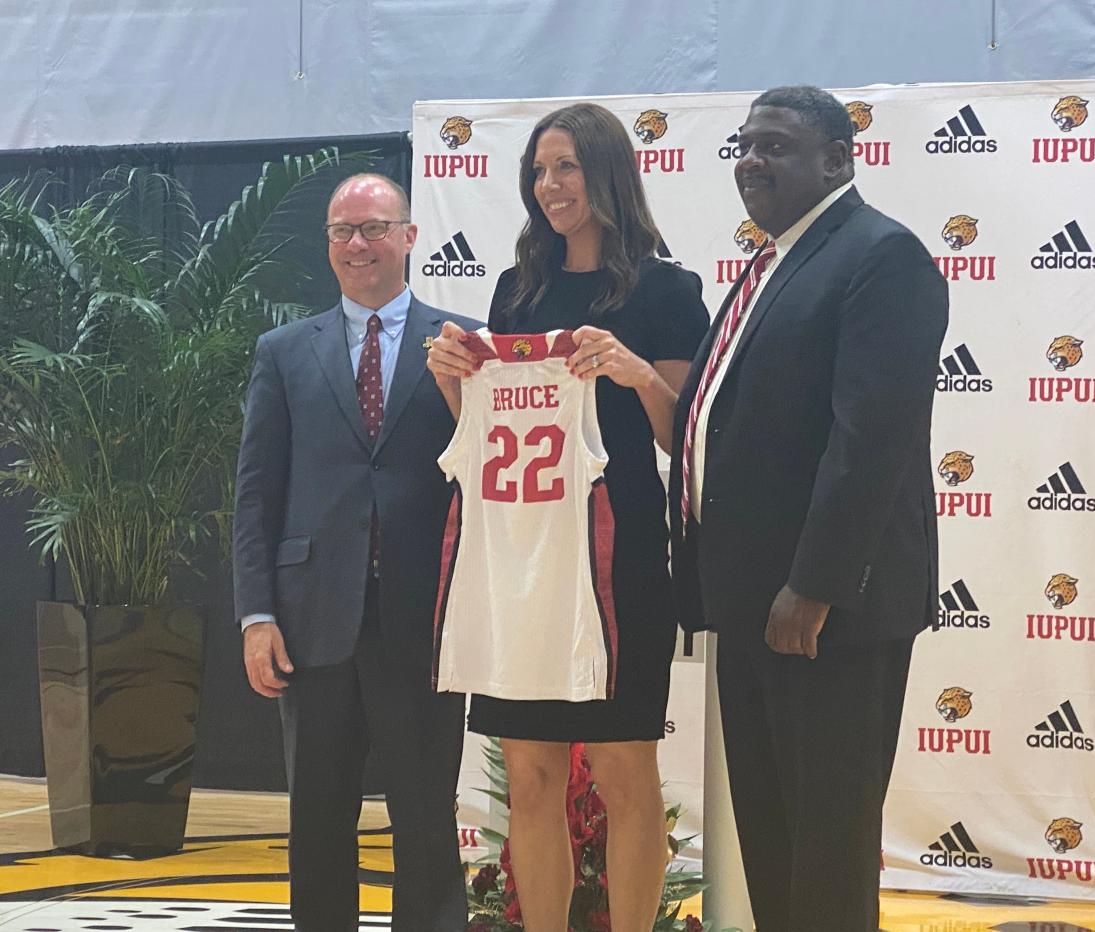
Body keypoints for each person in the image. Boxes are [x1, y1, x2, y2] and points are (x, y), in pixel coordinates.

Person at [668, 86, 949, 931]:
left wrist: (815, 586)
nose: (751, 161)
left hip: (828, 615)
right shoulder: (773, 261)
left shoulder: (879, 256)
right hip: (756, 606)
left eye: (776, 146)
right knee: (773, 841)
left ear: (837, 158)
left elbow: (869, 441)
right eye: (745, 145)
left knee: (826, 846)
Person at [426, 102, 709, 932]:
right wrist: (453, 377)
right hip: (522, 561)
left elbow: (680, 436)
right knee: (533, 777)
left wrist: (630, 371)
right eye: (539, 171)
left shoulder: (666, 289)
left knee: (626, 776)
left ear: (608, 172)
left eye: (567, 168)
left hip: (617, 558)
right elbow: (484, 431)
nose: (550, 187)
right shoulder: (518, 291)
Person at [232, 173, 476, 932]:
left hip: (426, 619)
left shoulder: (465, 344)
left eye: (373, 228)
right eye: (342, 232)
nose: (357, 245)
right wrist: (256, 614)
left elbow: (483, 479)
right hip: (310, 623)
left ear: (408, 236)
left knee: (427, 820)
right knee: (318, 820)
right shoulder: (282, 351)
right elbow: (255, 494)